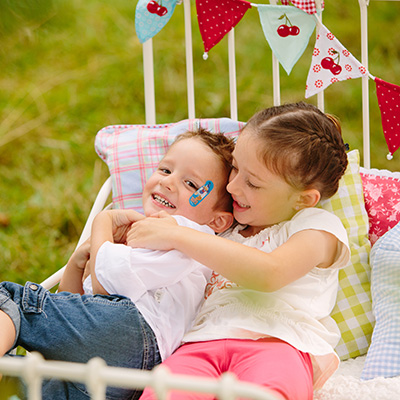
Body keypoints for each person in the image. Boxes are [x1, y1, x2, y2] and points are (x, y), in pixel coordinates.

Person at [126, 102, 351, 400]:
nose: (231, 186)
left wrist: (177, 235)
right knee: (163, 392)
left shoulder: (317, 227)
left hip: (278, 343)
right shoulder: (222, 228)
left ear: (303, 199)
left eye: (253, 183)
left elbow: (269, 274)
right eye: (234, 167)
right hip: (199, 343)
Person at [0, 128, 234, 400]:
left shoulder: (188, 235)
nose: (169, 183)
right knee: (34, 380)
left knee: (12, 300)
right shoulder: (145, 238)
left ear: (217, 222)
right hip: (126, 374)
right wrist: (77, 265)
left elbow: (105, 283)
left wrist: (103, 223)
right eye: (165, 170)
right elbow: (77, 305)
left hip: (133, 334)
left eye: (191, 184)